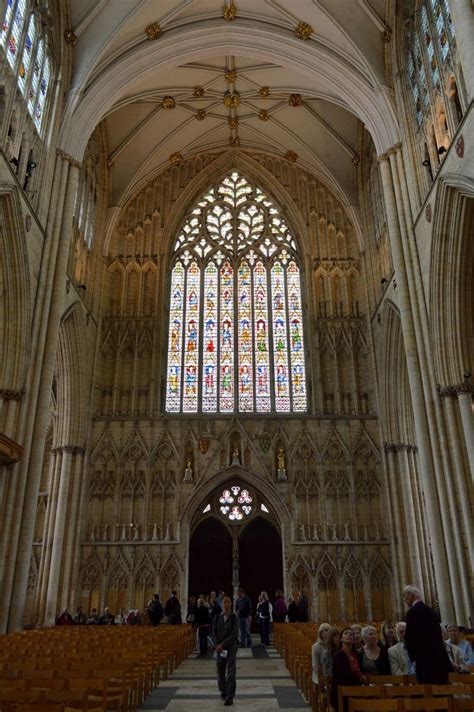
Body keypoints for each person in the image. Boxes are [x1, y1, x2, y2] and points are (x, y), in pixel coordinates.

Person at [403, 584, 452, 683]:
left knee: (430, 694)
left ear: (410, 595)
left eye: (404, 596)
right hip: (441, 661)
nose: (404, 600)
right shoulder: (432, 611)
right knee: (445, 694)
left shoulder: (412, 612)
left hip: (426, 663)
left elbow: (410, 638)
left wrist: (414, 657)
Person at [330, 627, 366, 711]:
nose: (349, 635)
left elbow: (361, 671)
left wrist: (363, 677)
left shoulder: (357, 654)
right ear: (341, 639)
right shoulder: (339, 655)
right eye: (346, 633)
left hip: (355, 690)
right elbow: (345, 677)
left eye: (351, 634)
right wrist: (360, 680)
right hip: (342, 693)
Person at [214, 595, 239, 706]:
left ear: (231, 604)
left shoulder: (234, 618)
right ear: (222, 604)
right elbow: (214, 631)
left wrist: (222, 644)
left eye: (228, 602)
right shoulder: (217, 617)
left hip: (230, 648)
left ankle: (230, 696)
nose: (226, 604)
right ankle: (223, 690)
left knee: (231, 672)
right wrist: (217, 644)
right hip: (220, 649)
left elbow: (234, 634)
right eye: (224, 602)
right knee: (220, 671)